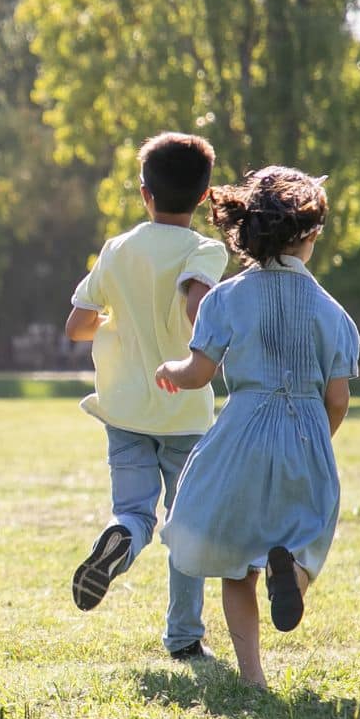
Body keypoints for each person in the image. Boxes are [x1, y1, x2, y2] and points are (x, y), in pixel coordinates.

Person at [155, 167, 359, 689]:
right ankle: (292, 575)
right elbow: (338, 398)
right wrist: (316, 439)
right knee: (307, 536)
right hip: (307, 434)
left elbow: (199, 374)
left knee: (234, 560)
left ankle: (253, 678)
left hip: (242, 432)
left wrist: (170, 371)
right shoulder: (334, 314)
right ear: (309, 235)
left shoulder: (224, 298)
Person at [62, 133, 229, 662]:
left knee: (133, 511)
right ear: (204, 198)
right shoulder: (205, 249)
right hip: (183, 408)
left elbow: (77, 326)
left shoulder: (117, 248)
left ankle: (119, 538)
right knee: (186, 523)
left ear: (144, 194)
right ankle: (184, 637)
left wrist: (120, 321)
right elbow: (196, 303)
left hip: (124, 407)